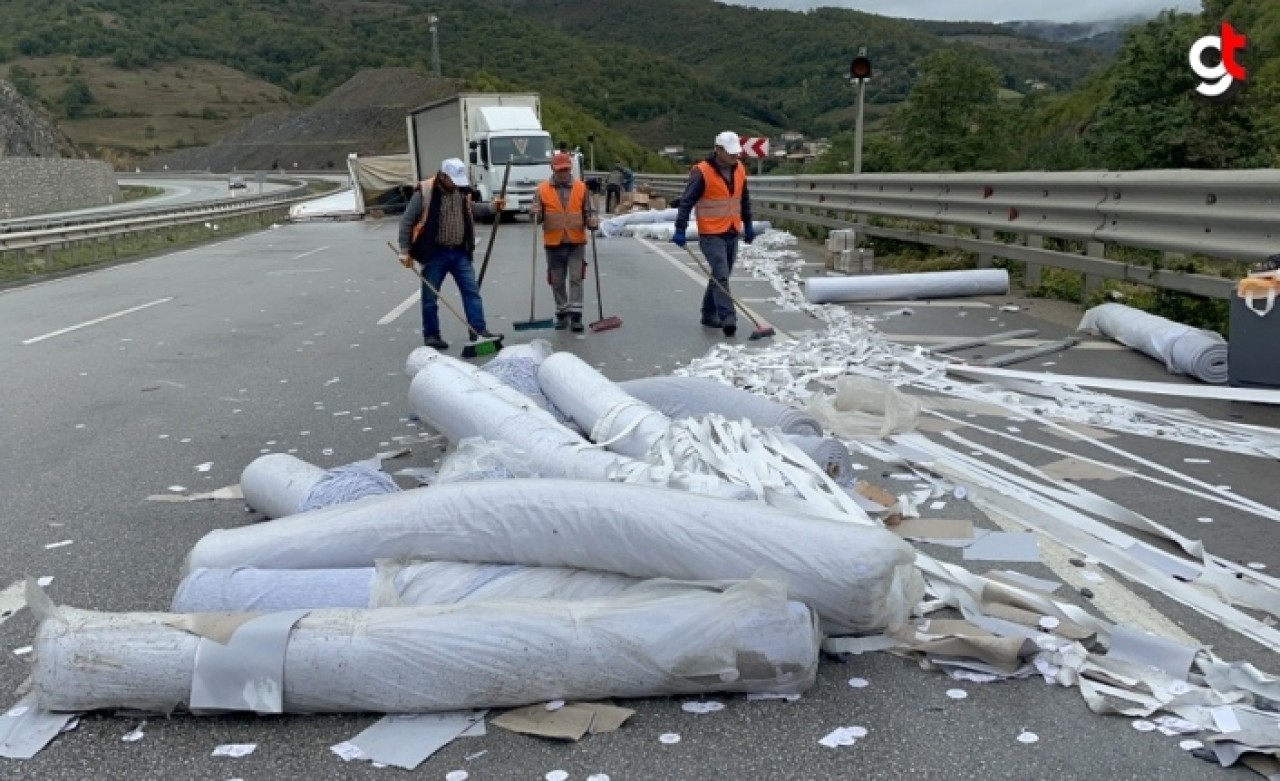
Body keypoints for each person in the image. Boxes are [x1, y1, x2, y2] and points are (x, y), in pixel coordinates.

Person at [397, 158, 505, 350]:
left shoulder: (462, 191)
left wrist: (491, 207)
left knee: (471, 292)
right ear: (443, 175)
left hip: (459, 252)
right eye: (453, 180)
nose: (456, 184)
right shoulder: (426, 191)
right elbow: (407, 221)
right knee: (430, 296)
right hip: (434, 253)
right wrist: (404, 251)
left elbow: (471, 209)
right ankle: (431, 335)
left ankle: (478, 331)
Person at [672, 131, 754, 337]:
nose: (735, 157)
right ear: (718, 150)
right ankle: (728, 318)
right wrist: (680, 229)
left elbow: (743, 199)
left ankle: (708, 313)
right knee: (721, 274)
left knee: (720, 275)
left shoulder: (740, 170)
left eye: (736, 153)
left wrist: (749, 224)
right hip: (711, 233)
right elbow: (686, 201)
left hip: (732, 229)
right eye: (730, 153)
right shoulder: (702, 172)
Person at [530, 152, 599, 332]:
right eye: (560, 170)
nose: (563, 173)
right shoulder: (542, 190)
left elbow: (589, 212)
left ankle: (576, 316)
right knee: (557, 280)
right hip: (553, 242)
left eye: (566, 170)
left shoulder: (581, 188)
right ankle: (562, 313)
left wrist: (593, 222)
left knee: (576, 278)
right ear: (552, 169)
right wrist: (534, 213)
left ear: (570, 169)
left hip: (576, 241)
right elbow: (535, 217)